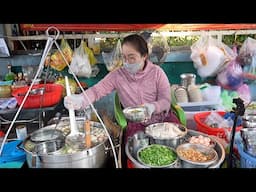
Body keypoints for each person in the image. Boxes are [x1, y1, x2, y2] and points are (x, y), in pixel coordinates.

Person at [64, 34, 180, 143]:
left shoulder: (157, 73)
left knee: (177, 142)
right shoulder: (117, 75)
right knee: (135, 150)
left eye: (131, 58)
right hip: (137, 123)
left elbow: (165, 101)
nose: (126, 62)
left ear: (144, 56)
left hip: (162, 120)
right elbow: (96, 91)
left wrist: (152, 107)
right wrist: (81, 99)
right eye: (123, 57)